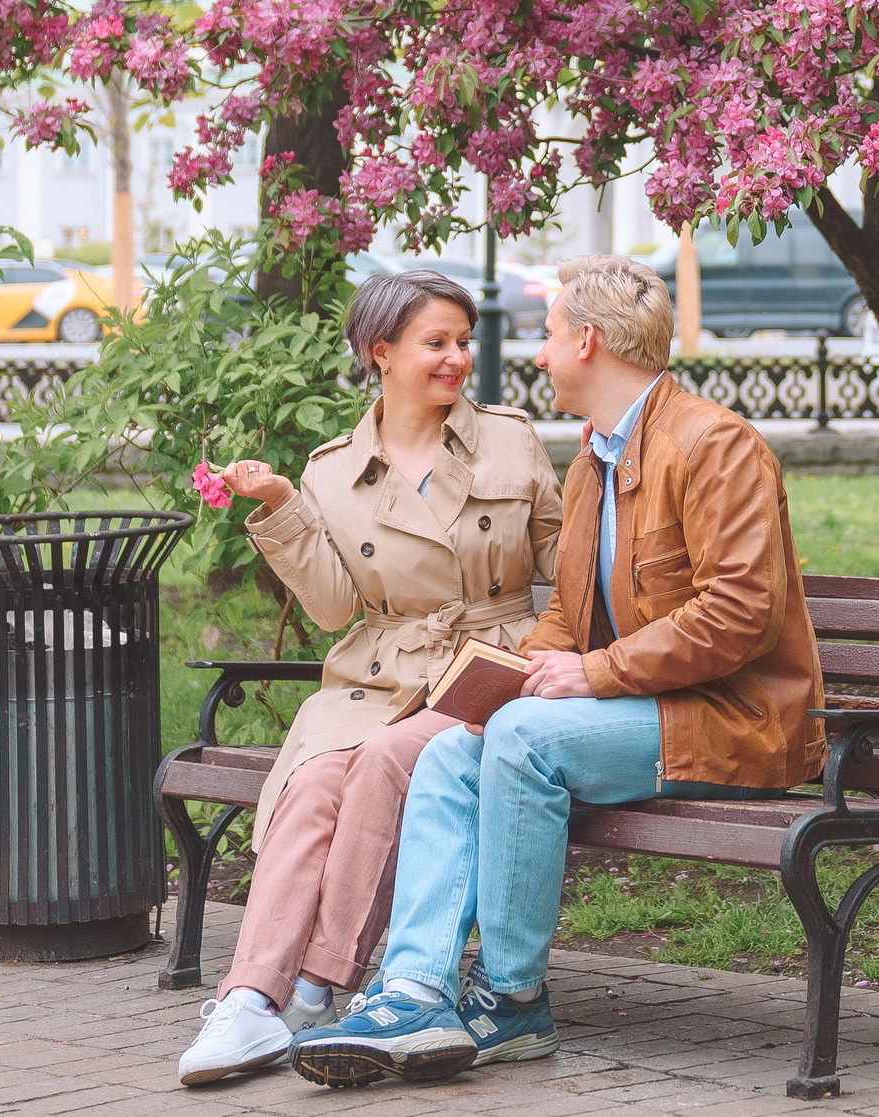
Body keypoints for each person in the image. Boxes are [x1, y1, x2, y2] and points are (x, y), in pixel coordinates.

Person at [285, 254, 825, 1088]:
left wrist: (595, 672)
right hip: (636, 715)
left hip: (733, 720)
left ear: (589, 340)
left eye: (546, 334)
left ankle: (512, 998)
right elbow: (569, 614)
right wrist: (505, 676)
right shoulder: (593, 461)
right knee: (450, 747)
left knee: (526, 737)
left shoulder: (715, 445)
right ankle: (414, 987)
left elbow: (740, 614)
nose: (536, 354)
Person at [172, 269, 563, 1087]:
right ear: (380, 352)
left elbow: (563, 572)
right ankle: (249, 999)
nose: (457, 357)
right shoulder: (331, 470)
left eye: (462, 341)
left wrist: (561, 658)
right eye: (437, 342)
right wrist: (281, 504)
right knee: (314, 778)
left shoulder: (508, 439)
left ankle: (318, 986)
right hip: (379, 672)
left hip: (488, 665)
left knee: (385, 762)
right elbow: (333, 606)